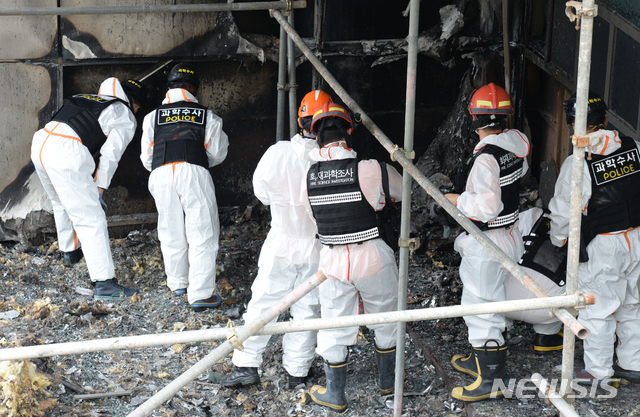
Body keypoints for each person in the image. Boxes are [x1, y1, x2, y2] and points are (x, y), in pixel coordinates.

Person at [220, 90, 332, 390]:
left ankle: (247, 366)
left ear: (300, 120)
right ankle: (297, 370)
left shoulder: (278, 152)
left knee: (264, 302)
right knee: (309, 307)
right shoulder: (332, 157)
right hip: (318, 244)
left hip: (282, 239)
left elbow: (261, 193)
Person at [301, 103, 403, 413]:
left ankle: (336, 396)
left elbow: (312, 216)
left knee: (333, 325)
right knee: (386, 318)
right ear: (349, 132)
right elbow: (400, 190)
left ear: (316, 137)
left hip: (332, 261)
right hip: (372, 254)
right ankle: (388, 387)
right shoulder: (369, 168)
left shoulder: (308, 176)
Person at [444, 83, 530, 402]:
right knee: (486, 301)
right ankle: (480, 360)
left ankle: (490, 381)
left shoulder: (485, 159)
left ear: (474, 119)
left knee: (482, 309)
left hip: (488, 240)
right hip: (510, 233)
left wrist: (455, 198)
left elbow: (485, 207)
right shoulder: (516, 143)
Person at [548, 91, 640, 385]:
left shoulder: (578, 163)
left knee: (598, 308)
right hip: (637, 236)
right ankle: (633, 363)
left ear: (573, 124)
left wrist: (559, 239)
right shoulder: (634, 147)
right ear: (606, 120)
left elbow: (564, 211)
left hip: (604, 244)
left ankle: (598, 372)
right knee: (632, 302)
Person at [31, 77, 145, 300]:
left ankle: (71, 253)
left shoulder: (86, 97)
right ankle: (104, 285)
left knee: (61, 201)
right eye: (138, 104)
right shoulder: (124, 114)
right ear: (129, 99)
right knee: (92, 218)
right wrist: (100, 189)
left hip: (41, 142)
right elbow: (110, 155)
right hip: (66, 150)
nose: (138, 109)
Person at [140, 63, 229, 311]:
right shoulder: (206, 115)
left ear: (169, 87)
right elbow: (217, 153)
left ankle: (178, 282)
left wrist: (165, 168)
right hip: (193, 170)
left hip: (159, 173)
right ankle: (200, 293)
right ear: (192, 88)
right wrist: (194, 163)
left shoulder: (152, 117)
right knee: (202, 232)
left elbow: (147, 158)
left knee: (170, 229)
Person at [451, 206, 565, 383]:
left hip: (503, 301)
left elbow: (461, 246)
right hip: (548, 310)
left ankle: (500, 332)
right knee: (578, 280)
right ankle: (545, 337)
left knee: (490, 273)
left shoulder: (533, 214)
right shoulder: (587, 233)